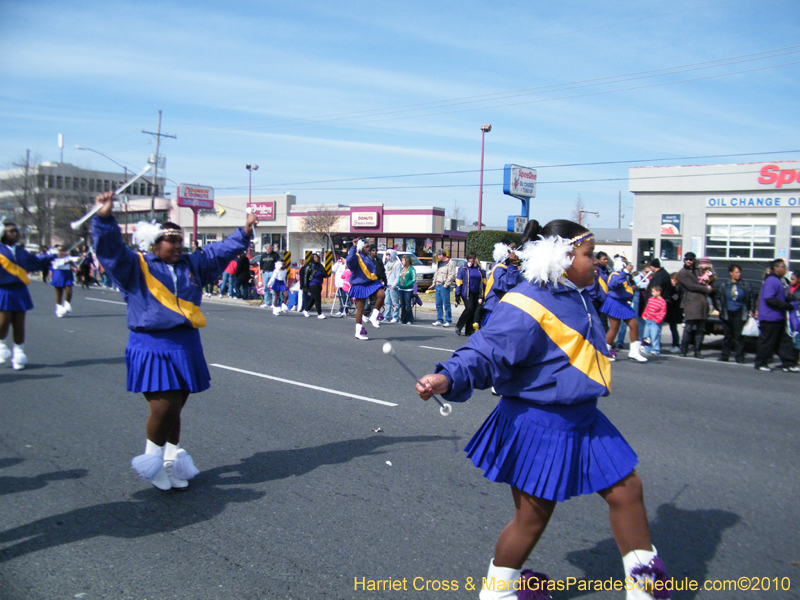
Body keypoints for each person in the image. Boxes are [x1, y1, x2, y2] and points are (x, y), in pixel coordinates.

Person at [415, 220, 669, 600]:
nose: (596, 264)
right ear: (562, 258)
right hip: (539, 422)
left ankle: (646, 589)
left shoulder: (577, 293)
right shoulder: (526, 302)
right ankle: (498, 594)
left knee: (627, 491)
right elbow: (487, 350)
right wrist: (448, 377)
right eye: (588, 255)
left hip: (584, 415)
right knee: (532, 517)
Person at [91, 190, 256, 490]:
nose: (178, 246)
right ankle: (151, 461)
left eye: (180, 241)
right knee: (163, 407)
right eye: (172, 240)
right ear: (153, 243)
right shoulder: (136, 266)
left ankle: (170, 462)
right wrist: (104, 218)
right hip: (152, 345)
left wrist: (243, 233)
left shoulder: (192, 266)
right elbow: (110, 250)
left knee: (176, 408)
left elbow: (218, 252)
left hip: (187, 344)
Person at [0, 222, 55, 370]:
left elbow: (35, 262)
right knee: (3, 322)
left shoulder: (20, 251)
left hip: (20, 290)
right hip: (2, 289)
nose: (15, 234)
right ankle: (1, 344)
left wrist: (53, 256)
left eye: (16, 231)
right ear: (2, 233)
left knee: (19, 323)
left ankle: (18, 354)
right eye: (11, 231)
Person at [754, 259, 798, 373]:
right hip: (769, 317)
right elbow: (769, 299)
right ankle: (761, 362)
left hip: (778, 317)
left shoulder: (780, 280)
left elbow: (781, 296)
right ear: (776, 267)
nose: (785, 269)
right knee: (767, 341)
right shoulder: (771, 280)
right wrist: (785, 305)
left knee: (784, 342)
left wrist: (790, 300)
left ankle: (788, 363)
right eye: (783, 266)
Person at [602, 258, 647, 362]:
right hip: (615, 302)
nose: (627, 265)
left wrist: (631, 288)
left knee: (634, 325)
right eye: (625, 264)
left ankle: (634, 352)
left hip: (622, 302)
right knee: (614, 328)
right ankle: (604, 352)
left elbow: (622, 288)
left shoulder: (621, 275)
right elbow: (613, 285)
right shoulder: (615, 275)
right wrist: (624, 273)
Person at [714, 264, 755, 363]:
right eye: (736, 272)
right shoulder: (725, 285)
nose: (738, 274)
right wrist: (720, 308)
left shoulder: (745, 285)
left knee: (738, 337)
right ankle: (725, 355)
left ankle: (739, 357)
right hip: (727, 313)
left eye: (739, 272)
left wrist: (751, 310)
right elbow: (718, 298)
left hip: (740, 313)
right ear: (731, 273)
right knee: (727, 336)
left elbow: (751, 298)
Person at [346, 239, 386, 340]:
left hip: (370, 282)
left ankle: (374, 316)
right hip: (359, 284)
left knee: (381, 294)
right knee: (361, 308)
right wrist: (353, 247)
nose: (369, 249)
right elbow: (349, 260)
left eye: (369, 247)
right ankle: (358, 332)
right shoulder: (356, 256)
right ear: (361, 248)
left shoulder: (367, 257)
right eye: (366, 247)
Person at [676, 252, 712, 358]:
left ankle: (697, 350)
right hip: (691, 302)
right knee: (689, 327)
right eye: (687, 259)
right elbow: (691, 286)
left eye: (691, 259)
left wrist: (708, 280)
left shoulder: (698, 271)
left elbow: (708, 278)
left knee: (701, 329)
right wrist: (706, 288)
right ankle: (684, 349)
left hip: (702, 302)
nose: (688, 261)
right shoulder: (682, 273)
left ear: (694, 260)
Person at [477, 241, 520, 328]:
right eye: (512, 251)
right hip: (497, 309)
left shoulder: (509, 268)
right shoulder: (499, 267)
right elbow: (506, 285)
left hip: (506, 308)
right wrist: (514, 264)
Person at [454, 253, 485, 337]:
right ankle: (459, 326)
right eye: (470, 258)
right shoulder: (463, 269)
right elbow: (459, 282)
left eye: (473, 258)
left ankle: (469, 330)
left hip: (476, 293)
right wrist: (457, 294)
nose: (472, 259)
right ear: (467, 259)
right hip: (467, 293)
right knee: (469, 308)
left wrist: (481, 296)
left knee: (474, 311)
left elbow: (483, 283)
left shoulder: (479, 270)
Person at [50, 245, 80, 317]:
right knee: (59, 294)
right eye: (60, 251)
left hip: (67, 275)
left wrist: (81, 257)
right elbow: (57, 265)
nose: (61, 252)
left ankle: (67, 306)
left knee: (69, 291)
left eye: (63, 251)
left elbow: (74, 259)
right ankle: (59, 309)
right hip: (58, 275)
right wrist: (66, 262)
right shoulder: (54, 258)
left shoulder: (67, 257)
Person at [431, 248, 457, 327]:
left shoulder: (450, 263)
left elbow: (452, 275)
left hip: (444, 285)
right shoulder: (439, 263)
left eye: (438, 255)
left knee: (446, 304)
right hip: (438, 285)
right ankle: (439, 319)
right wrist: (433, 283)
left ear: (441, 255)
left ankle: (448, 320)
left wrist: (446, 284)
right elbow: (436, 273)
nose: (437, 257)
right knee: (438, 304)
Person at [641, 285, 667, 355]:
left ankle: (655, 349)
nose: (652, 293)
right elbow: (647, 308)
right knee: (646, 335)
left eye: (653, 292)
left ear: (658, 292)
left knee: (655, 336)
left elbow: (663, 312)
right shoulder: (651, 299)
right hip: (648, 320)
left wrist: (658, 320)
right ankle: (647, 348)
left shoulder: (662, 301)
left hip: (655, 322)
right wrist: (644, 315)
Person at [302, 252, 327, 319]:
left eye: (317, 257)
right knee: (317, 298)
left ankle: (306, 310)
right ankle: (319, 313)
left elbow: (325, 274)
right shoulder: (309, 266)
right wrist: (305, 286)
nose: (316, 258)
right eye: (315, 257)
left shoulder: (320, 266)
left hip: (319, 283)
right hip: (312, 283)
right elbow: (305, 277)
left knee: (313, 298)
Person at [665, 273, 683, 353]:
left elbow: (675, 298)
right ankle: (674, 344)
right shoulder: (674, 288)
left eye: (672, 279)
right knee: (672, 328)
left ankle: (676, 345)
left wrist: (668, 299)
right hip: (673, 310)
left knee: (674, 328)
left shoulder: (677, 288)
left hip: (675, 311)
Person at [383, 249, 402, 323]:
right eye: (386, 255)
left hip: (393, 286)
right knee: (387, 301)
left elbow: (398, 276)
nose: (387, 256)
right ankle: (386, 316)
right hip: (387, 285)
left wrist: (394, 285)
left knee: (395, 303)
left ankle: (395, 317)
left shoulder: (397, 264)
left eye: (388, 255)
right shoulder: (387, 264)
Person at [398, 254, 416, 325]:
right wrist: (398, 283)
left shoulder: (411, 269)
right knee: (402, 305)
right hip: (401, 289)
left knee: (408, 304)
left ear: (407, 261)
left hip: (408, 290)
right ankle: (403, 319)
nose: (402, 261)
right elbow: (399, 278)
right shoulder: (402, 269)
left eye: (403, 260)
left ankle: (410, 319)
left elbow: (414, 279)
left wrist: (407, 284)